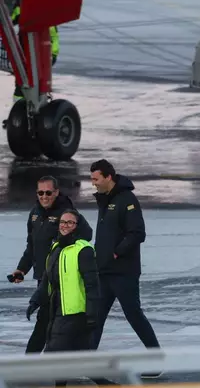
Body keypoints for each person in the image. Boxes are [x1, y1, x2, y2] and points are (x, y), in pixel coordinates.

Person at [88, 159, 161, 378]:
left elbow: (138, 233)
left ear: (108, 177)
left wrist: (116, 252)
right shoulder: (105, 200)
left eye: (95, 179)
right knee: (96, 318)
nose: (93, 183)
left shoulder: (127, 200)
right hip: (105, 271)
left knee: (134, 315)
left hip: (123, 272)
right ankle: (86, 362)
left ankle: (157, 360)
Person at [26, 209, 101, 386]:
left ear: (77, 226)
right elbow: (47, 280)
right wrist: (35, 301)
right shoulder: (56, 247)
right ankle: (109, 384)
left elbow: (92, 285)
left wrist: (92, 314)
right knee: (80, 357)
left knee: (56, 354)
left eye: (69, 222)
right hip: (58, 309)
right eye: (62, 222)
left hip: (75, 313)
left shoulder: (83, 250)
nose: (65, 226)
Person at [10, 176, 74, 354]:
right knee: (48, 322)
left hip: (62, 279)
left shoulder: (67, 214)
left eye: (48, 192)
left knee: (49, 322)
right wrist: (21, 269)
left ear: (56, 192)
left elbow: (83, 237)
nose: (44, 196)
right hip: (43, 278)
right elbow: (32, 246)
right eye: (40, 193)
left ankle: (32, 362)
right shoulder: (35, 214)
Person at [10, 0, 59, 103]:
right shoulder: (22, 5)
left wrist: (53, 53)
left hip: (37, 52)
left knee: (31, 82)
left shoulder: (43, 9)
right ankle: (23, 106)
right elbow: (12, 21)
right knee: (25, 82)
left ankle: (26, 105)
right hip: (27, 51)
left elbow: (53, 35)